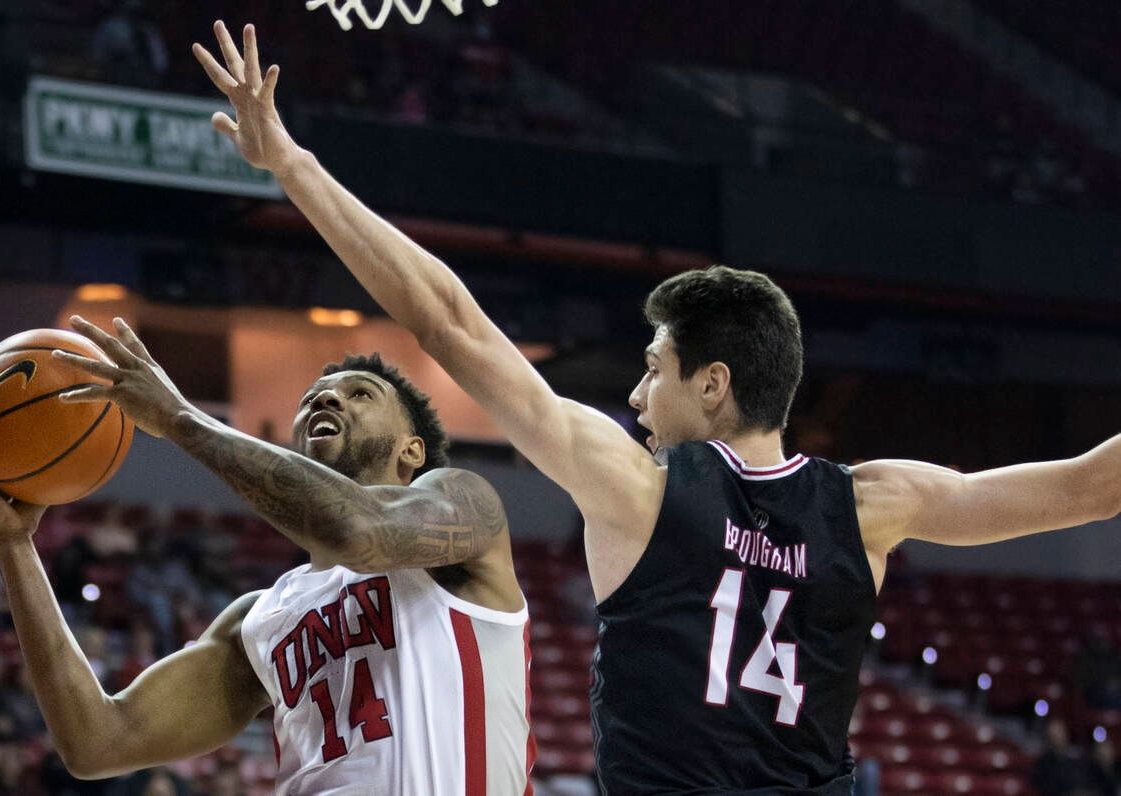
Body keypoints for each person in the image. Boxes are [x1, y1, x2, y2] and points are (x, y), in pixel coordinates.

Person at [196, 19, 1121, 792]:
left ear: (712, 383)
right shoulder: (877, 505)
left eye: (653, 367)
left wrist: (293, 165)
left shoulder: (635, 486)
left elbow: (449, 323)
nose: (636, 393)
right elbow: (1087, 488)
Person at [0, 338, 533, 793]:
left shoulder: (464, 506)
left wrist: (181, 418)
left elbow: (357, 530)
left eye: (359, 394)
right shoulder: (261, 617)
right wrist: (13, 546)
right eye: (312, 398)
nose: (325, 399)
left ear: (413, 449)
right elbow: (97, 742)